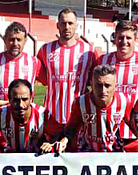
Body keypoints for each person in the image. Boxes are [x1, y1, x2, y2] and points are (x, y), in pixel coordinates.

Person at [0, 22, 42, 152]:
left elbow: (48, 82)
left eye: (19, 39)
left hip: (25, 130)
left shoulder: (34, 62)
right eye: (11, 39)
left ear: (25, 41)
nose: (15, 43)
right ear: (5, 40)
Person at [37, 8, 99, 138]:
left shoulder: (89, 51)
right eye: (63, 23)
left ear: (76, 26)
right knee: (51, 154)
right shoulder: (45, 50)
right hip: (52, 116)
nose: (67, 27)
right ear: (57, 25)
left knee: (78, 155)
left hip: (80, 115)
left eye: (70, 23)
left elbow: (94, 82)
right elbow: (43, 78)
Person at [96, 21, 138, 152]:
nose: (124, 41)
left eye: (128, 38)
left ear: (135, 40)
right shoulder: (102, 61)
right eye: (120, 37)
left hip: (136, 133)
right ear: (115, 38)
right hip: (107, 131)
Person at [52, 64, 136, 153]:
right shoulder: (81, 103)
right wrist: (64, 140)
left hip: (114, 152)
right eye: (99, 85)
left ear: (115, 86)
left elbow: (136, 127)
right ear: (91, 84)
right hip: (87, 152)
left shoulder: (124, 102)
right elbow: (71, 129)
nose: (103, 91)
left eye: (107, 86)